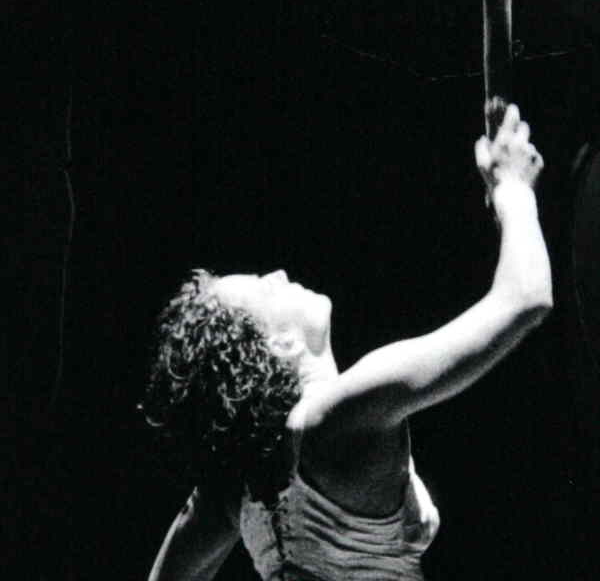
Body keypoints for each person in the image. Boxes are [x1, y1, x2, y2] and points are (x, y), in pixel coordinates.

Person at [140, 101, 552, 581]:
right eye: (265, 288)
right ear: (278, 347)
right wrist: (513, 189)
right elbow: (525, 299)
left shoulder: (239, 483)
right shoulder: (339, 418)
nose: (279, 274)